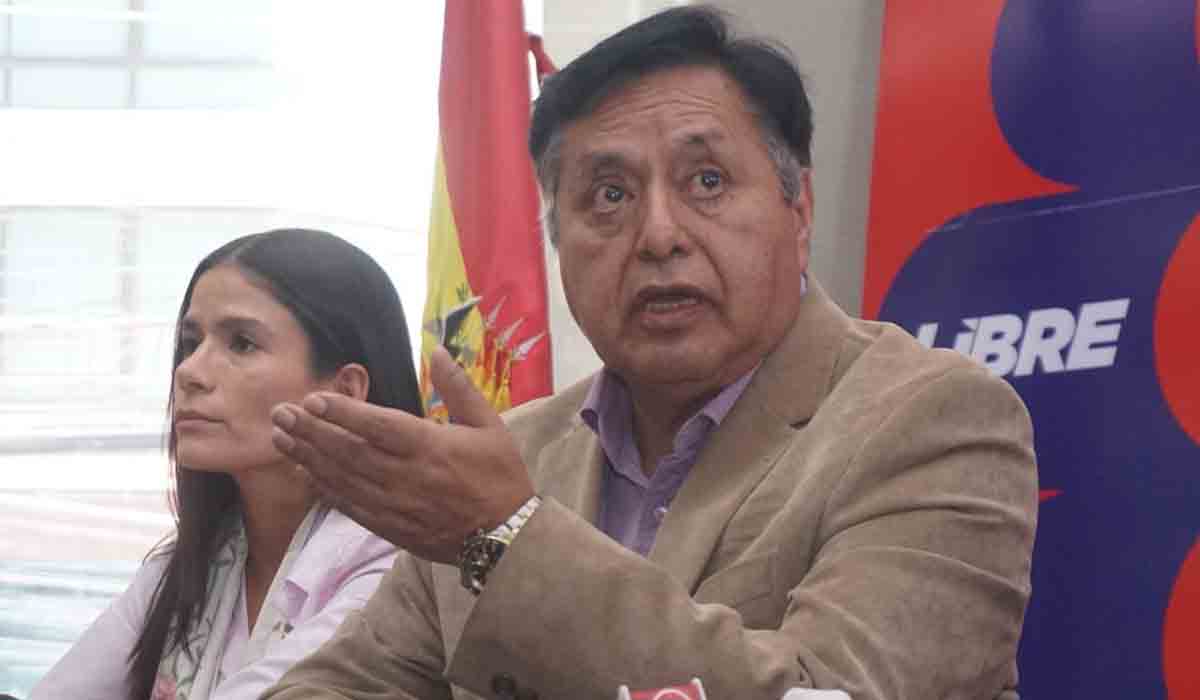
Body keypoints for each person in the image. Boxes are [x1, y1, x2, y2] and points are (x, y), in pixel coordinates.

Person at [264, 7, 1038, 700]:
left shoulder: (934, 420)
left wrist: (509, 539)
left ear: (797, 211)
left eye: (707, 180)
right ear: (557, 241)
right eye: (609, 195)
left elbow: (829, 693)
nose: (659, 235)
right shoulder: (515, 454)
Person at [31, 229, 423, 700]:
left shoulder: (398, 564)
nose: (189, 372)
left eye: (241, 343)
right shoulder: (191, 561)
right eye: (190, 342)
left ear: (345, 392)